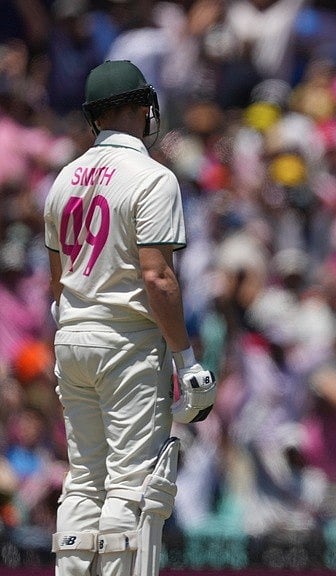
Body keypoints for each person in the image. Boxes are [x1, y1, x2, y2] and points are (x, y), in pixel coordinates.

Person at [43, 60, 216, 576]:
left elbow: (58, 282)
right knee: (131, 483)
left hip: (72, 336)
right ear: (143, 109)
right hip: (127, 341)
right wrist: (186, 360)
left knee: (83, 480)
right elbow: (157, 277)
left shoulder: (63, 179)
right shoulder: (153, 178)